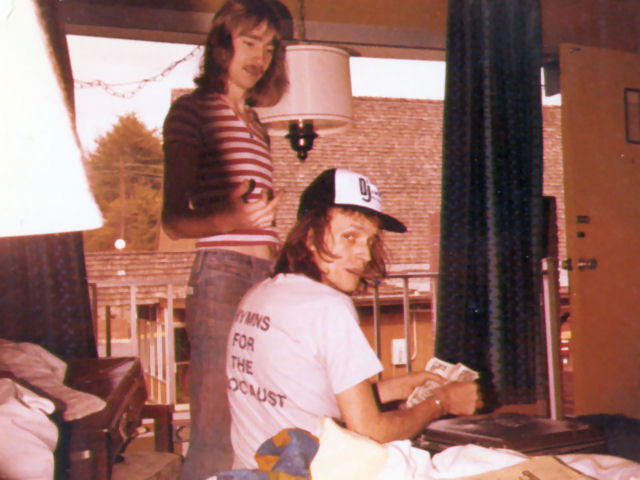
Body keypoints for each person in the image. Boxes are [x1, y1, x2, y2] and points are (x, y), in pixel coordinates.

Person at [226, 168, 481, 469]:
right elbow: (370, 432)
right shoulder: (329, 306)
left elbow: (299, 397)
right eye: (350, 237)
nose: (366, 255)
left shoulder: (260, 294)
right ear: (310, 236)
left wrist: (396, 387)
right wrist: (442, 402)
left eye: (370, 241)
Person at [160, 1, 291, 478]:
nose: (260, 57)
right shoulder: (191, 112)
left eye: (270, 48)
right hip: (222, 274)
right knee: (215, 425)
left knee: (264, 418)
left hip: (266, 277)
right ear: (221, 46)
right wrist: (231, 217)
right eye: (250, 42)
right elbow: (174, 221)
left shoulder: (257, 124)